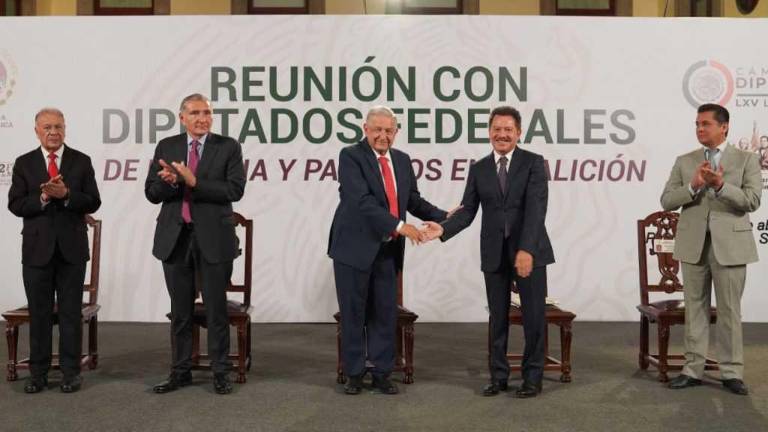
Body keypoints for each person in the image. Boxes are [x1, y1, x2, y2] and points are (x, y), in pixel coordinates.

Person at [422, 106, 554, 398]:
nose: (502, 134)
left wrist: (526, 250)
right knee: (497, 317)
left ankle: (533, 378)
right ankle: (499, 376)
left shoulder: (533, 163)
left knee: (533, 317)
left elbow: (536, 210)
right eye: (497, 129)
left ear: (519, 133)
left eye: (508, 130)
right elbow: (468, 210)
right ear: (489, 132)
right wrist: (443, 228)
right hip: (493, 253)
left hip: (530, 253)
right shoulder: (479, 168)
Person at [328, 105, 447, 395]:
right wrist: (400, 225)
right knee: (354, 313)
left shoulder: (403, 161)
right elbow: (361, 201)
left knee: (385, 314)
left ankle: (382, 373)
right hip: (353, 248)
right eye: (377, 129)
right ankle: (354, 373)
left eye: (389, 130)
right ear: (365, 129)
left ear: (396, 132)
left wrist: (447, 217)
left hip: (387, 251)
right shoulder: (350, 156)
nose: (383, 135)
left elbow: (414, 201)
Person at [145, 93, 246, 395]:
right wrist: (168, 182)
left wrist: (194, 182)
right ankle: (180, 371)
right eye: (196, 113)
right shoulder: (167, 146)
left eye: (207, 112)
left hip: (214, 239)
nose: (202, 118)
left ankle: (220, 372)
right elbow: (152, 192)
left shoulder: (227, 146)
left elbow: (235, 189)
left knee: (216, 310)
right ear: (182, 117)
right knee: (180, 311)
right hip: (175, 239)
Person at [660, 103, 761, 395]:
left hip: (730, 247)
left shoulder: (746, 160)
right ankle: (692, 370)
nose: (699, 129)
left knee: (730, 311)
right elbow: (667, 200)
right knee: (695, 310)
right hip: (693, 246)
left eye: (705, 124)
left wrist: (719, 186)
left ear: (724, 126)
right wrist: (692, 186)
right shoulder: (684, 161)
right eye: (696, 124)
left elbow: (752, 201)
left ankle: (731, 372)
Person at [8, 108, 101, 393]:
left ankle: (71, 373)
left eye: (58, 126)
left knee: (71, 313)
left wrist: (68, 195)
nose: (53, 132)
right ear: (37, 130)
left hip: (72, 250)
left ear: (65, 129)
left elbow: (93, 201)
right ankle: (38, 373)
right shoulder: (24, 163)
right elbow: (16, 205)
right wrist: (45, 196)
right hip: (37, 250)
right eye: (47, 127)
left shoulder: (81, 161)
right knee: (40, 313)